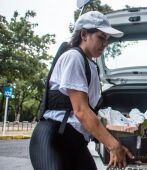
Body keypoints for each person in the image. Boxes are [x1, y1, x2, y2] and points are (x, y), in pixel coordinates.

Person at [29, 11, 133, 170]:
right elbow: (81, 111)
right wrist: (113, 145)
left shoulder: (92, 65)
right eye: (101, 37)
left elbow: (91, 111)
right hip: (54, 137)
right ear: (84, 34)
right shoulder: (74, 57)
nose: (105, 44)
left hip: (76, 142)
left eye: (107, 39)